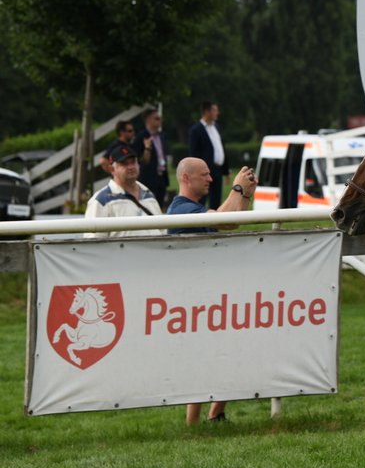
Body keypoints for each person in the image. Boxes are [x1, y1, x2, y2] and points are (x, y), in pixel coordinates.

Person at [167, 156, 257, 424]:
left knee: (224, 352)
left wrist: (246, 196)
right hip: (192, 299)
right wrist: (238, 190)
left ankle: (212, 415)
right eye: (205, 174)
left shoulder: (193, 208)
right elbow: (224, 220)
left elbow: (231, 221)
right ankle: (195, 422)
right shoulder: (180, 209)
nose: (210, 178)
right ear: (186, 178)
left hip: (208, 295)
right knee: (204, 358)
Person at [83, 142, 162, 238]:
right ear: (112, 169)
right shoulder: (100, 200)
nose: (130, 167)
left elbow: (163, 231)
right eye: (124, 164)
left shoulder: (149, 195)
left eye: (133, 162)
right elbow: (93, 242)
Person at [187, 101, 228, 210]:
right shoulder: (196, 130)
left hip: (217, 170)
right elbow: (193, 153)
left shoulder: (217, 127)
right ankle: (199, 225)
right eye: (215, 110)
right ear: (206, 111)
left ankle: (214, 226)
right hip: (203, 172)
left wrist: (226, 171)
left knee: (216, 201)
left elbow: (221, 148)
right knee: (201, 199)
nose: (217, 113)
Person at [133, 108, 170, 210]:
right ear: (148, 120)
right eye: (157, 118)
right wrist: (147, 148)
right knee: (148, 206)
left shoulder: (162, 135)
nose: (160, 121)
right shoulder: (140, 137)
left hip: (161, 177)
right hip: (148, 178)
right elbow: (140, 161)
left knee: (160, 206)